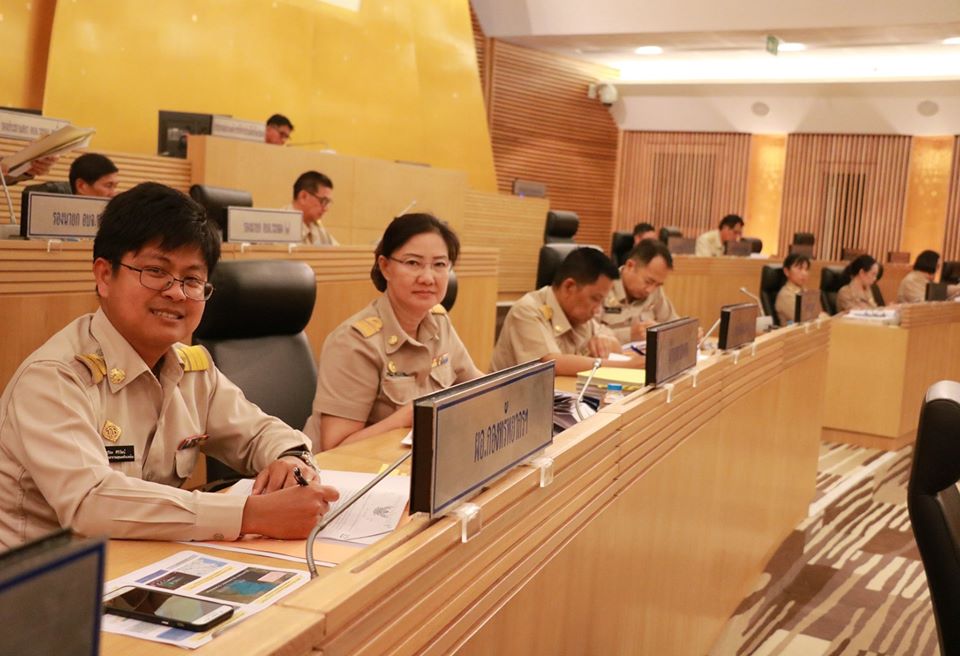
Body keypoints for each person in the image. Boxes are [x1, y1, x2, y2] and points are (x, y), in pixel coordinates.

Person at [0, 182, 339, 548]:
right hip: (43, 575)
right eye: (155, 271)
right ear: (104, 275)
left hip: (141, 560)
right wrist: (250, 515)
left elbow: (258, 433)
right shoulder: (56, 376)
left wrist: (293, 461)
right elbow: (90, 503)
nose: (177, 292)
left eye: (192, 279)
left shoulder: (191, 368)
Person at [305, 213, 482, 451]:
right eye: (413, 263)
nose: (428, 277)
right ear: (385, 267)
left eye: (439, 264)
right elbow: (335, 447)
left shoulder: (439, 321)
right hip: (352, 469)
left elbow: (479, 385)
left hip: (412, 460)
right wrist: (408, 417)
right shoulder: (354, 342)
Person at [491, 247, 643, 376]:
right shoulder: (527, 310)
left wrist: (606, 340)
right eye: (595, 299)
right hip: (511, 401)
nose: (598, 310)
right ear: (569, 287)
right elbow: (552, 364)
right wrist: (627, 367)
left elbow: (611, 340)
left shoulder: (581, 316)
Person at [601, 239, 678, 342]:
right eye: (648, 281)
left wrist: (688, 332)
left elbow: (672, 323)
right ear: (630, 266)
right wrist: (629, 334)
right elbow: (588, 336)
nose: (650, 290)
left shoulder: (655, 289)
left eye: (658, 284)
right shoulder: (602, 287)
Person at [288, 170, 339, 246]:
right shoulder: (281, 227)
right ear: (303, 197)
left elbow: (338, 251)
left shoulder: (317, 227)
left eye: (328, 202)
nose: (326, 209)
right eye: (323, 201)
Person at [775, 253, 812, 325]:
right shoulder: (785, 295)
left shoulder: (805, 291)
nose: (804, 273)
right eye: (799, 268)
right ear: (786, 271)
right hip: (794, 331)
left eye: (806, 269)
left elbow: (819, 314)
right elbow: (805, 318)